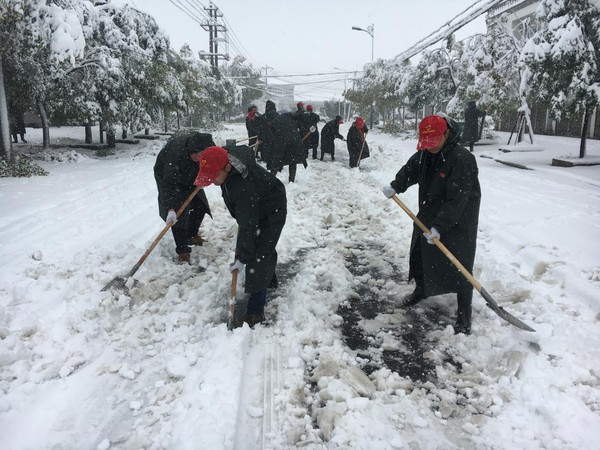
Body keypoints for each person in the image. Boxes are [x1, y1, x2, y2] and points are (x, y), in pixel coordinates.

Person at [382, 114, 481, 335]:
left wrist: (441, 226)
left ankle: (464, 315)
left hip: (458, 220)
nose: (430, 147)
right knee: (422, 252)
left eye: (433, 141)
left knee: (460, 263)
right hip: (429, 212)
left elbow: (458, 198)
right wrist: (396, 185)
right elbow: (411, 169)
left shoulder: (462, 159)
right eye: (426, 143)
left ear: (446, 134)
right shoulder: (426, 154)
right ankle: (422, 289)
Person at [194, 145, 287, 328]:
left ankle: (255, 312)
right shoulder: (229, 168)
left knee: (259, 255)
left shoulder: (243, 186)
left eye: (214, 176)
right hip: (255, 206)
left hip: (271, 209)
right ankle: (269, 279)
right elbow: (246, 220)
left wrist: (242, 256)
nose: (212, 181)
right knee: (262, 247)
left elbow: (248, 225)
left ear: (227, 167)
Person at [153, 132, 214, 263]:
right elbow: (168, 185)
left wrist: (204, 176)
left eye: (201, 156)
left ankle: (191, 235)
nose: (198, 158)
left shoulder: (205, 146)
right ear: (190, 151)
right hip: (168, 176)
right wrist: (169, 208)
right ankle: (183, 250)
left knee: (200, 205)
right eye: (195, 156)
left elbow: (210, 163)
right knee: (179, 213)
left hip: (190, 172)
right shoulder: (174, 156)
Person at [271, 110, 306, 183]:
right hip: (294, 140)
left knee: (277, 160)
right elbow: (300, 116)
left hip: (282, 142)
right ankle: (291, 180)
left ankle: (271, 178)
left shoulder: (277, 120)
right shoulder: (291, 117)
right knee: (292, 160)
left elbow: (273, 131)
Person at [257, 100, 278, 170]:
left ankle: (269, 165)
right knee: (275, 152)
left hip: (266, 138)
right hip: (276, 137)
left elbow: (260, 129)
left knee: (268, 153)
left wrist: (260, 138)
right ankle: (275, 166)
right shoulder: (277, 116)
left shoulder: (263, 117)